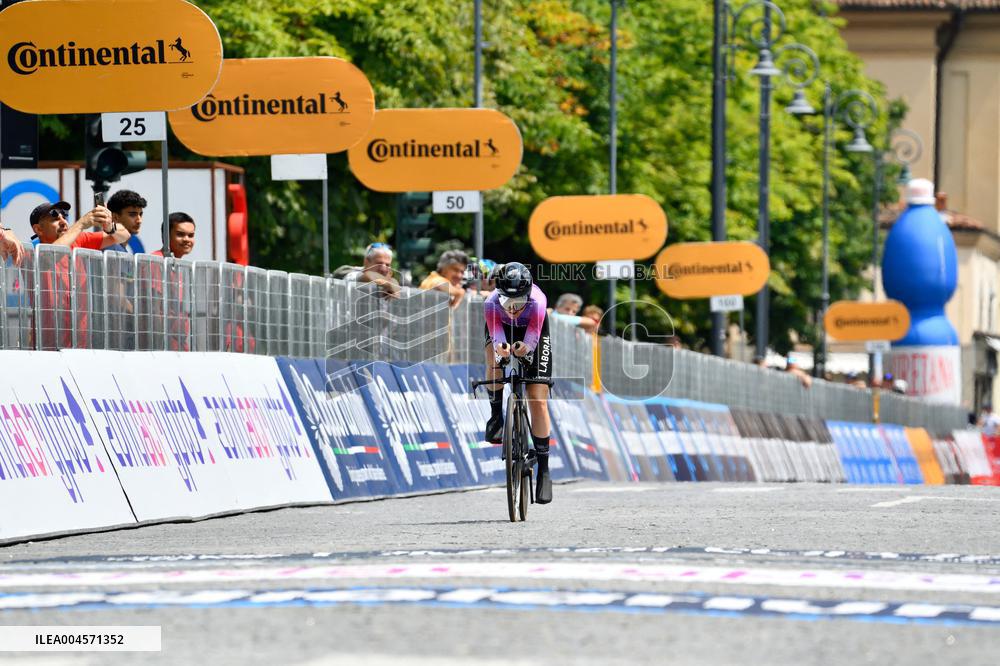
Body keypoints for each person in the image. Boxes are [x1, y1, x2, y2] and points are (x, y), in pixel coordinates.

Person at [482, 262, 554, 504]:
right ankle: (496, 416)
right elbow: (496, 336)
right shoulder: (492, 303)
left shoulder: (538, 301)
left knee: (537, 398)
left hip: (532, 330)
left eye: (519, 300)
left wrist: (526, 348)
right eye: (506, 300)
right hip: (501, 328)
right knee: (492, 359)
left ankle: (543, 469)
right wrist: (501, 348)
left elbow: (533, 335)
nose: (512, 307)